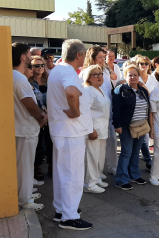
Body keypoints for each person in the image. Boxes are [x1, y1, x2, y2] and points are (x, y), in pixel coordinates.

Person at [47, 39, 93, 230]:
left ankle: (62, 210)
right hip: (70, 132)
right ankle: (69, 217)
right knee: (72, 176)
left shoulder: (58, 69)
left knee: (62, 174)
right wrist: (75, 112)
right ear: (79, 55)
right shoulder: (68, 71)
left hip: (62, 131)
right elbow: (72, 93)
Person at [12, 43, 47, 211]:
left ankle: (24, 194)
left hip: (22, 129)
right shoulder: (19, 78)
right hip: (25, 130)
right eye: (28, 54)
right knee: (25, 167)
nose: (31, 58)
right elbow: (29, 104)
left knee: (23, 166)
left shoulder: (14, 76)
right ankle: (24, 201)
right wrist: (42, 116)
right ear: (22, 57)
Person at [80, 46, 117, 176]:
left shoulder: (106, 71)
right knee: (93, 150)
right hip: (95, 116)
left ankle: (105, 170)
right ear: (93, 57)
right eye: (100, 57)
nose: (103, 59)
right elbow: (84, 104)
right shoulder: (86, 73)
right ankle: (92, 178)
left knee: (108, 143)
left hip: (107, 111)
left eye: (103, 56)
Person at [112, 65, 150, 190]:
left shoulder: (143, 90)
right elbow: (116, 109)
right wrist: (117, 125)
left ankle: (134, 175)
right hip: (126, 126)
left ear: (139, 76)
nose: (133, 77)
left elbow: (148, 108)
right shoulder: (120, 90)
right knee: (126, 152)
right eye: (130, 75)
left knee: (135, 152)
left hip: (142, 126)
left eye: (135, 75)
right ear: (125, 76)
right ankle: (121, 180)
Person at [83, 65, 111, 193]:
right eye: (95, 74)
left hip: (103, 128)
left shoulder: (101, 90)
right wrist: (90, 129)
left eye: (100, 74)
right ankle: (90, 183)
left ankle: (97, 177)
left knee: (100, 156)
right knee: (92, 156)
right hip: (93, 128)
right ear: (89, 78)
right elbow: (85, 111)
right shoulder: (88, 90)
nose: (99, 76)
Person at [29, 56, 53, 179]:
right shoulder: (28, 82)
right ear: (31, 67)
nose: (40, 68)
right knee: (38, 142)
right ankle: (37, 166)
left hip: (50, 115)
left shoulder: (49, 80)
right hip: (36, 116)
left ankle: (51, 165)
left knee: (50, 141)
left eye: (42, 65)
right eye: (36, 65)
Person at [137, 56, 158, 171]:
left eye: (146, 63)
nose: (144, 65)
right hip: (138, 111)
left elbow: (155, 95)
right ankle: (148, 161)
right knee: (142, 137)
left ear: (149, 66)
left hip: (151, 110)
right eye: (141, 63)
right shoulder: (134, 76)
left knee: (147, 136)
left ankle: (148, 160)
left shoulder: (153, 79)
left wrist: (144, 87)